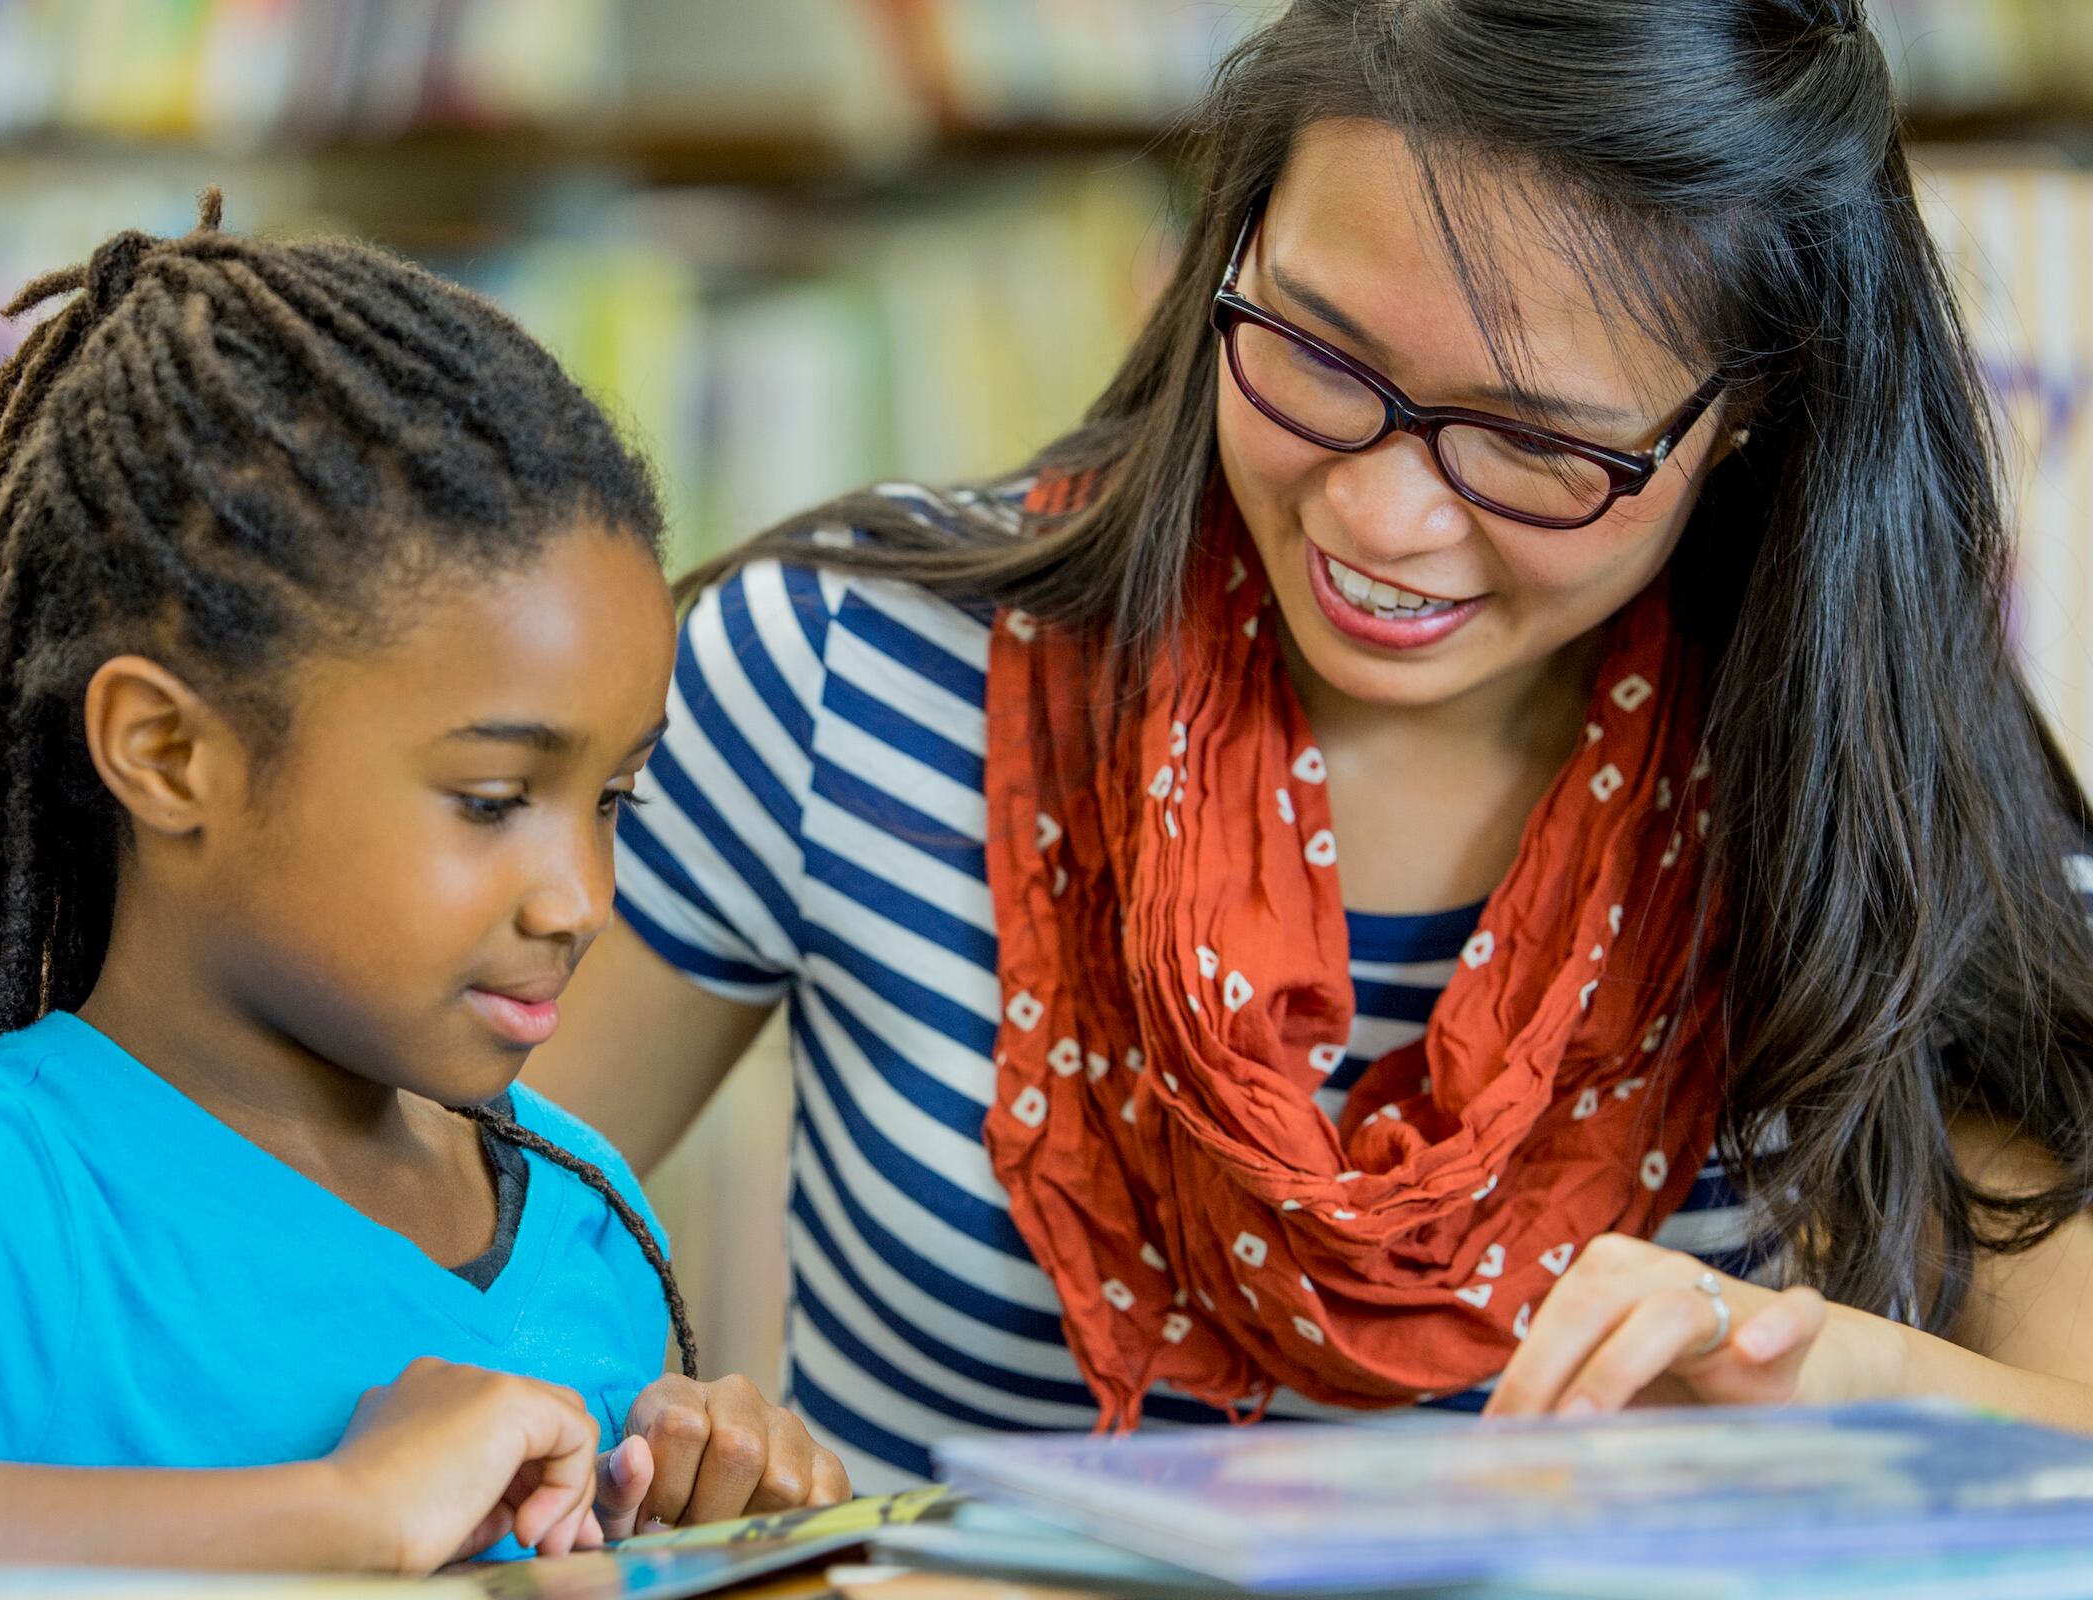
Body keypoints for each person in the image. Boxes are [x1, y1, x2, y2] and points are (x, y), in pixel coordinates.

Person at [527, 0, 2093, 1489]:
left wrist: (1843, 1383)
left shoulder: (1875, 780)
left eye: (1535, 443)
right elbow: (418, 1290)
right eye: (1320, 355)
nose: (1379, 514)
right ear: (1230, 242)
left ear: (1750, 416)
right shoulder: (838, 676)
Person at [0, 193, 845, 1571]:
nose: (578, 897)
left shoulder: (589, 1214)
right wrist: (340, 1517)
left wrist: (705, 1536)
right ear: (168, 754)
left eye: (614, 802)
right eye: (490, 801)